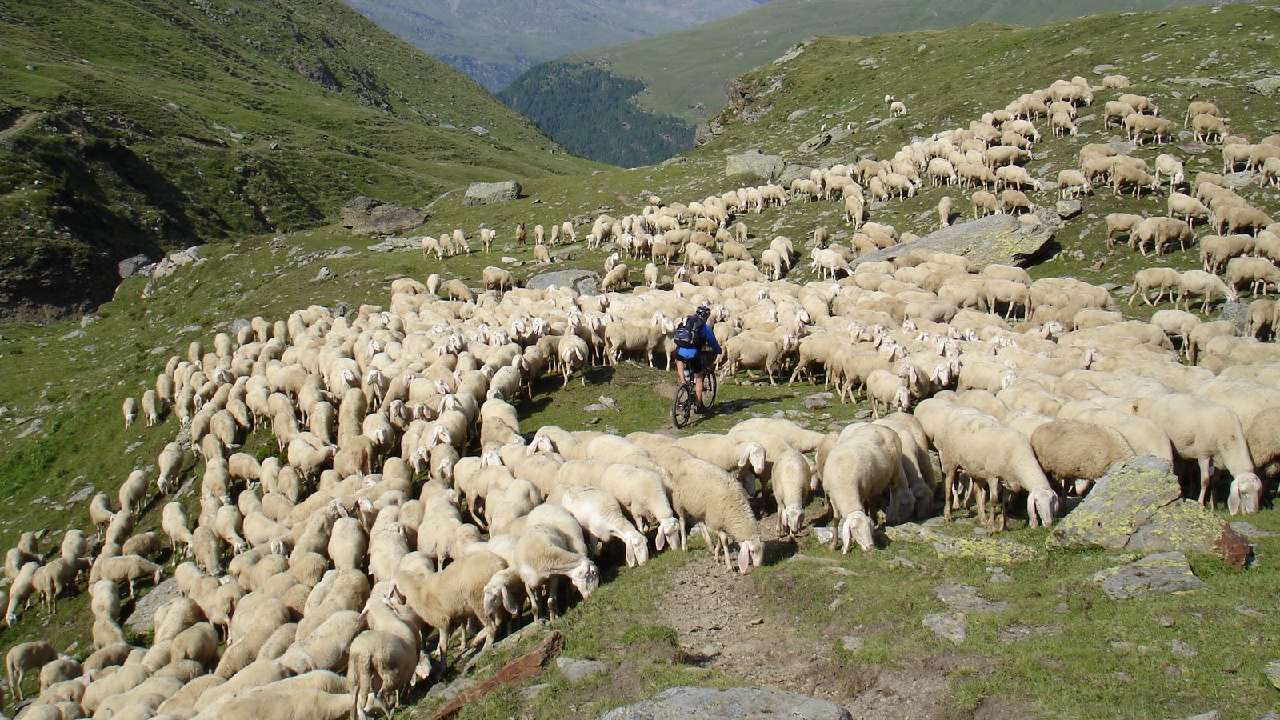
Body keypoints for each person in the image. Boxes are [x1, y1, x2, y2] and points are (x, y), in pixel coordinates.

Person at [673, 305, 721, 411]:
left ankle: (683, 382)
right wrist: (718, 350)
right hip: (693, 354)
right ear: (706, 317)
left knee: (679, 359)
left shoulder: (686, 321)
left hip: (680, 350)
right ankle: (699, 406)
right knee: (699, 377)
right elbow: (712, 342)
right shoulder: (705, 327)